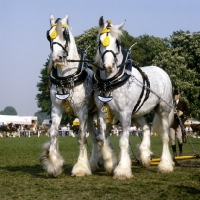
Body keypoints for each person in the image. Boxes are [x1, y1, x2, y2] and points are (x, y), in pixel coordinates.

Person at [170, 90, 190, 157]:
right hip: (172, 123)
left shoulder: (182, 103)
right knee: (172, 139)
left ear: (178, 95)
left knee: (179, 138)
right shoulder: (170, 103)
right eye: (173, 95)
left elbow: (188, 111)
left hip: (179, 123)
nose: (174, 96)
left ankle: (181, 151)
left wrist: (182, 113)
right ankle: (174, 153)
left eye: (175, 95)